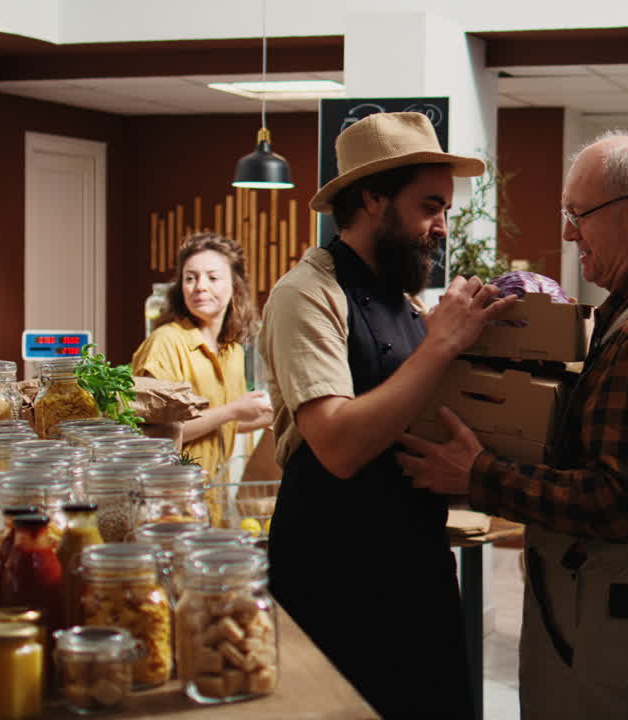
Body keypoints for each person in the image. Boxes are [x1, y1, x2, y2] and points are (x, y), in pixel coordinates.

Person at [399, 130, 628, 719]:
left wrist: (478, 473)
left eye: (578, 214)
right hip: (619, 595)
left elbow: (613, 503)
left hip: (601, 603)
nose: (567, 232)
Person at [257, 112, 515, 719]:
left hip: (414, 571)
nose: (442, 228)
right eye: (430, 207)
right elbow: (339, 445)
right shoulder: (306, 295)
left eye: (446, 210)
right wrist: (440, 346)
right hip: (332, 580)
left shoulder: (402, 300)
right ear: (373, 198)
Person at [132, 233, 273, 480]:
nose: (200, 286)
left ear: (235, 286)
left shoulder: (232, 350)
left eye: (213, 277)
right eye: (190, 278)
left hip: (212, 496)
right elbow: (154, 434)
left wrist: (268, 416)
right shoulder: (164, 344)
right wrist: (233, 410)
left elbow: (222, 424)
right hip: (170, 494)